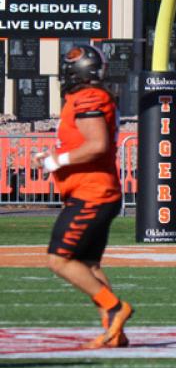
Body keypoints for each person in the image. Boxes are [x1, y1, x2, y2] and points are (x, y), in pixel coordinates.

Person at [32, 45, 132, 349]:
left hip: (92, 193)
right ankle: (113, 331)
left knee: (59, 260)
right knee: (89, 266)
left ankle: (114, 308)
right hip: (94, 190)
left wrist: (56, 162)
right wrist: (55, 156)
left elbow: (97, 144)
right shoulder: (85, 98)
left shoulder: (89, 97)